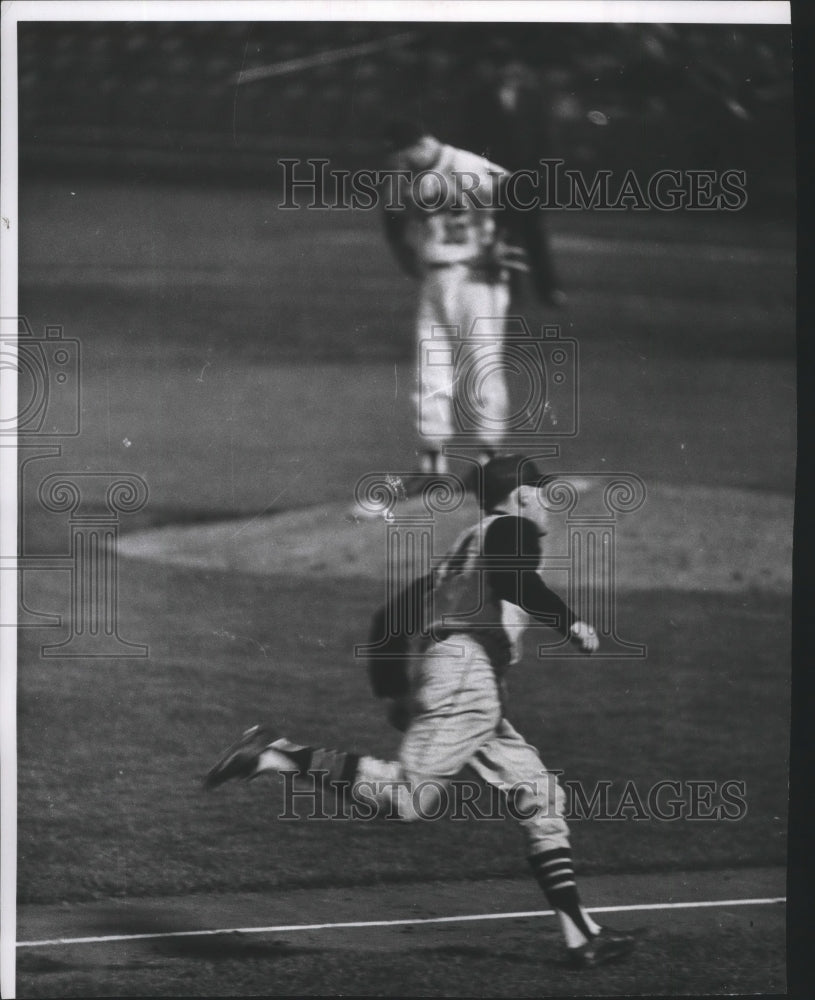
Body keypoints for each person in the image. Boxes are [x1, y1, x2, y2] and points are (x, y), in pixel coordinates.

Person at [205, 455, 636, 968]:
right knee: (410, 799)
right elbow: (516, 580)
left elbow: (390, 617)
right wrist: (569, 622)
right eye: (541, 492)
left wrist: (395, 694)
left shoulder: (466, 549)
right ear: (520, 496)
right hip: (466, 678)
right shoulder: (512, 530)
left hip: (468, 684)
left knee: (540, 796)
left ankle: (580, 935)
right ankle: (276, 754)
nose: (548, 501)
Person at [380, 119, 529, 478]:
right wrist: (404, 253)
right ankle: (432, 463)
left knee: (482, 364)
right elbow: (392, 216)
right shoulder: (408, 174)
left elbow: (521, 191)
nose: (399, 164)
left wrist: (499, 243)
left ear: (418, 144)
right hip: (435, 278)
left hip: (477, 279)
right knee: (429, 368)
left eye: (402, 156)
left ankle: (488, 459)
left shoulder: (466, 165)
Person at [460, 57, 566, 307]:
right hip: (493, 178)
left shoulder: (533, 98)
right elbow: (470, 136)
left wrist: (542, 172)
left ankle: (549, 289)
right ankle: (509, 287)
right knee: (498, 233)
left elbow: (544, 137)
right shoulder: (480, 99)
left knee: (533, 235)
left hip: (526, 177)